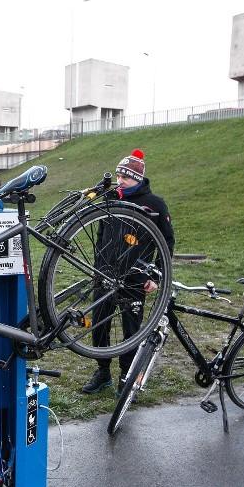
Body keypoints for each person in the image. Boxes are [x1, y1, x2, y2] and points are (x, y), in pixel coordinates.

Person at [81, 148, 175, 395]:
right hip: (104, 275)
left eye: (125, 177)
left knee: (131, 330)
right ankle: (103, 373)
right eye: (118, 175)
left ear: (138, 178)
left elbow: (167, 242)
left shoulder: (155, 205)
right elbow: (100, 235)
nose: (120, 180)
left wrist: (155, 275)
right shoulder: (111, 199)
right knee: (99, 324)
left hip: (135, 279)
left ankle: (126, 375)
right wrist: (95, 267)